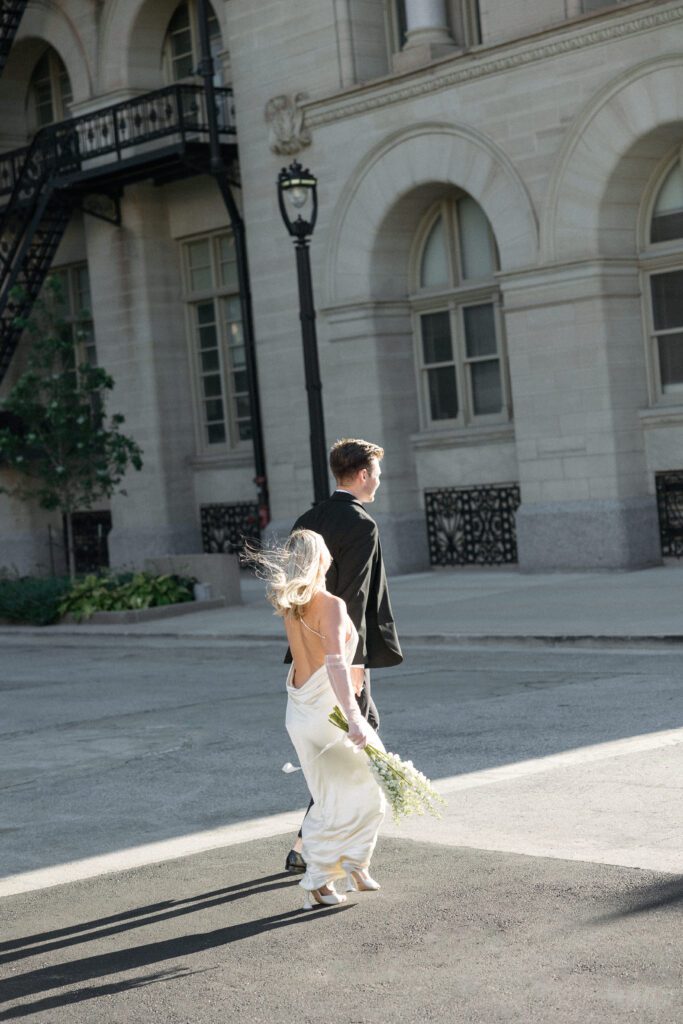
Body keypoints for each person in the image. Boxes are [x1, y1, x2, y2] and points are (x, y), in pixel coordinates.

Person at [284, 438, 403, 875]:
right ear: (362, 474)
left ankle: (310, 842)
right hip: (339, 650)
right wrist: (353, 667)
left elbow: (294, 592)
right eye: (377, 472)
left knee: (337, 745)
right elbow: (353, 597)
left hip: (305, 651)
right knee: (360, 733)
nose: (379, 480)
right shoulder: (362, 524)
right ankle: (311, 843)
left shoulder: (308, 518)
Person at [253, 529, 386, 908]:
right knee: (369, 791)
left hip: (300, 712)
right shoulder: (330, 605)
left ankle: (354, 867)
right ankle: (319, 881)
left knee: (335, 795)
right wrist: (355, 718)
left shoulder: (293, 605)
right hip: (329, 713)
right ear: (321, 558)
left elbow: (309, 658)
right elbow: (334, 665)